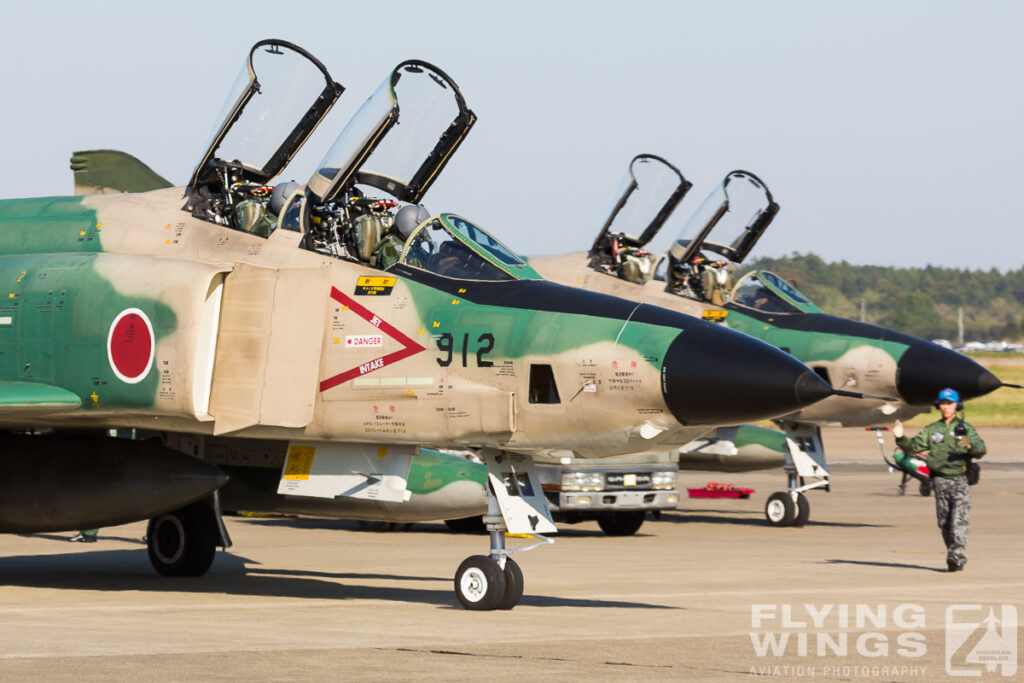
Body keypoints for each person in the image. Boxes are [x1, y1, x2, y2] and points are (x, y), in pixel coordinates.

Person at [893, 387, 986, 572]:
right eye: (943, 403)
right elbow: (913, 447)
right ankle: (953, 552)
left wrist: (967, 442)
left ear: (956, 406)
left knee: (959, 521)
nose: (946, 407)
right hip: (939, 481)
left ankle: (956, 557)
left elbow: (980, 451)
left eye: (950, 403)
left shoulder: (965, 428)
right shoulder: (932, 430)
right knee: (944, 523)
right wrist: (900, 438)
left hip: (959, 480)